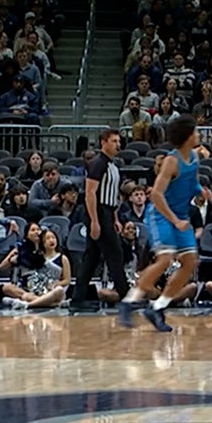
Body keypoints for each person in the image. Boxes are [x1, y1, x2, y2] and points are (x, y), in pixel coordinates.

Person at [119, 115, 209, 332]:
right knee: (165, 259)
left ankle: (157, 307)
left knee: (190, 262)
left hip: (180, 216)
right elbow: (157, 195)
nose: (198, 135)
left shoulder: (194, 158)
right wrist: (175, 220)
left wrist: (201, 192)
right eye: (195, 131)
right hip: (160, 214)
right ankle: (129, 302)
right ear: (188, 136)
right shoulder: (171, 161)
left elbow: (193, 183)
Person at [71, 129, 128, 311]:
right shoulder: (97, 163)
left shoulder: (113, 165)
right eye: (114, 141)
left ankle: (77, 300)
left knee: (92, 258)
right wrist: (94, 221)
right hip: (98, 212)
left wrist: (115, 218)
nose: (118, 144)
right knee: (115, 254)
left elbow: (113, 198)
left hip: (107, 212)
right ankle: (126, 297)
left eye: (119, 141)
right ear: (103, 142)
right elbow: (90, 193)